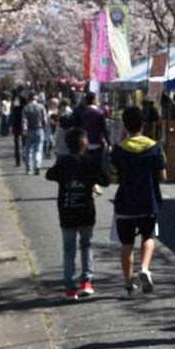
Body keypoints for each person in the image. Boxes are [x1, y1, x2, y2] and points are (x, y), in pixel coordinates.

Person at [46, 127, 109, 300]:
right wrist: (102, 159)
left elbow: (49, 175)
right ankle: (86, 282)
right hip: (86, 210)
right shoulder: (90, 162)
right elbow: (105, 180)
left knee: (68, 249)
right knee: (86, 244)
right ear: (83, 143)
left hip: (66, 210)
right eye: (86, 139)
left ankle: (70, 288)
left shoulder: (63, 162)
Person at [110, 106, 167, 299]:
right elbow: (163, 175)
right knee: (148, 236)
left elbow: (114, 179)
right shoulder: (155, 147)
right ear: (143, 125)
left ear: (125, 126)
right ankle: (144, 267)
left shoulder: (118, 149)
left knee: (126, 244)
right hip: (148, 201)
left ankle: (128, 286)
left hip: (125, 203)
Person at [75, 92, 111, 174]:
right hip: (97, 143)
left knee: (84, 167)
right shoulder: (99, 113)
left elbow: (77, 128)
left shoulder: (80, 113)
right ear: (94, 100)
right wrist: (109, 143)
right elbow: (104, 129)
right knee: (96, 167)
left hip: (83, 144)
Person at [22, 90, 48, 175]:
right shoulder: (41, 107)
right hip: (39, 129)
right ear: (35, 98)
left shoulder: (26, 107)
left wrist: (24, 129)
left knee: (29, 150)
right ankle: (37, 165)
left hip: (29, 130)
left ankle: (29, 168)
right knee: (38, 149)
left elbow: (24, 120)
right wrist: (43, 127)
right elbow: (45, 119)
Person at [10, 95, 26, 167]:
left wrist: (11, 126)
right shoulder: (26, 109)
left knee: (16, 145)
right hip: (24, 128)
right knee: (25, 144)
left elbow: (12, 118)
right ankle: (25, 158)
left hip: (16, 127)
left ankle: (17, 161)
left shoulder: (15, 108)